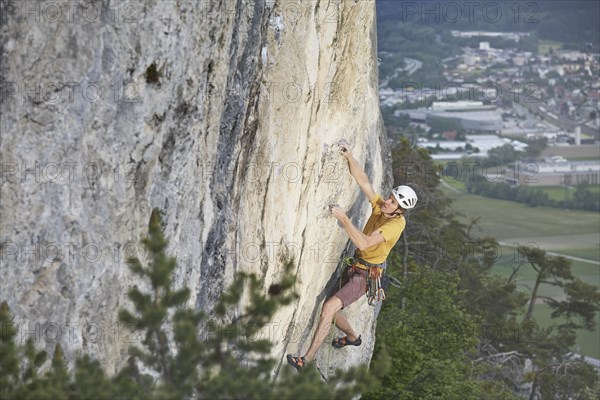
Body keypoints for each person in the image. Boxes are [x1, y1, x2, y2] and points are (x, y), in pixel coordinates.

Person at [286, 143, 418, 370]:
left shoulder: (395, 225)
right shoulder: (383, 209)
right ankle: (353, 338)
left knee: (328, 308)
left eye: (393, 202)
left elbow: (364, 242)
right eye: (390, 197)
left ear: (400, 211)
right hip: (357, 266)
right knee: (332, 312)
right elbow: (364, 181)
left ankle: (305, 360)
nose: (387, 201)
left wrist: (344, 218)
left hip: (365, 277)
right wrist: (350, 157)